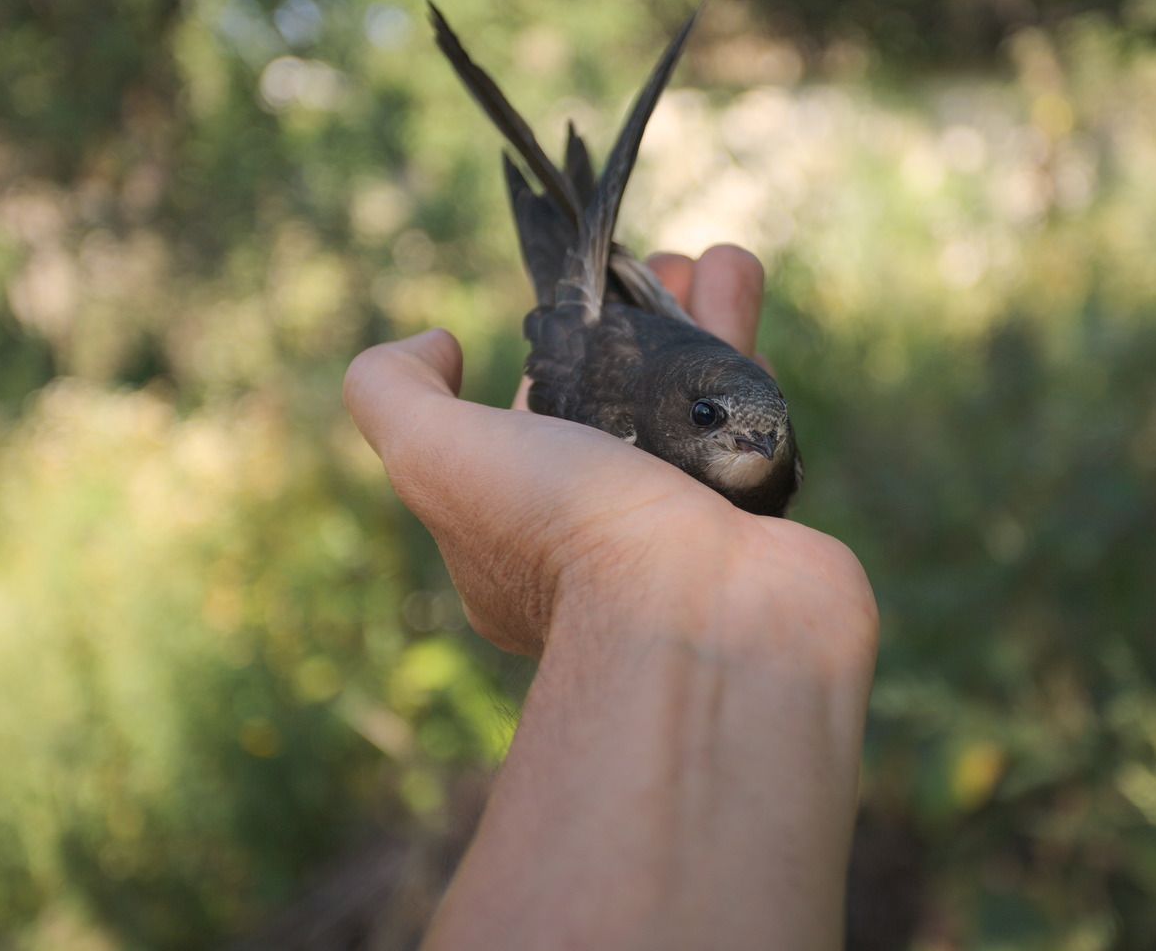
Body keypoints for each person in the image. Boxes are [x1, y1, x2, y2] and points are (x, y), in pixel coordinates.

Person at [343, 244, 879, 949]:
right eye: (718, 422)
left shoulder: (763, 444)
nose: (764, 446)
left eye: (773, 434)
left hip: (630, 316)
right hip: (611, 321)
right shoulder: (621, 415)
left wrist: (611, 570)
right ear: (686, 417)